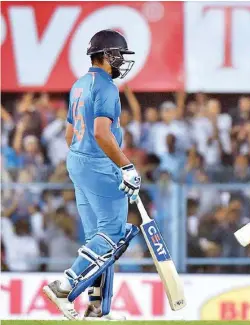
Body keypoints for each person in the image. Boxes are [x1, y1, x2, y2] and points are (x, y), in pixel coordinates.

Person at [42, 29, 142, 320]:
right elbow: (101, 132)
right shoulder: (107, 87)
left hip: (77, 160)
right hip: (99, 163)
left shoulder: (78, 84)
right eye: (119, 55)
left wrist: (86, 162)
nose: (122, 61)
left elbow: (70, 134)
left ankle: (97, 309)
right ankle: (64, 286)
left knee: (97, 241)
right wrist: (125, 167)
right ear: (107, 55)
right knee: (112, 235)